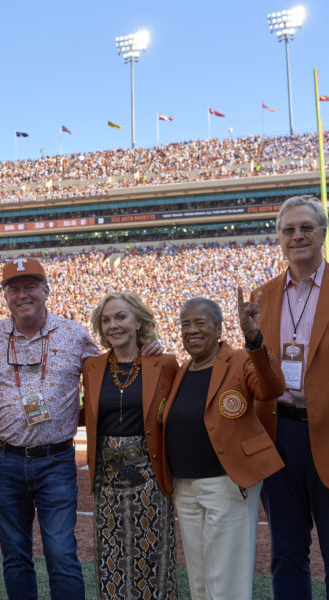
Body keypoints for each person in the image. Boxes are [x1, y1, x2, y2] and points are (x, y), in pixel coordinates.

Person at [0, 256, 99, 600]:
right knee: (15, 556)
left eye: (30, 286)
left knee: (61, 554)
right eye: (13, 289)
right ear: (4, 296)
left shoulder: (75, 335)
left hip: (56, 461)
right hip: (4, 461)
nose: (22, 295)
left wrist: (148, 345)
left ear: (46, 290)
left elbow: (108, 380)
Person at [161, 295, 285, 600]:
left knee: (226, 575)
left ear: (219, 329)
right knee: (199, 576)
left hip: (228, 482)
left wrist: (254, 339)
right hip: (186, 486)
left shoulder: (241, 359)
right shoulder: (181, 370)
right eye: (185, 324)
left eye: (200, 323)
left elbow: (271, 388)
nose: (192, 330)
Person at [253, 194, 329, 599]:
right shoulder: (262, 295)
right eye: (288, 230)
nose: (297, 236)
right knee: (286, 552)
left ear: (322, 233)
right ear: (278, 238)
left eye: (306, 228)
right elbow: (255, 366)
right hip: (280, 435)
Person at [83, 291, 178, 600]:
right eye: (106, 320)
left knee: (151, 553)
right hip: (107, 478)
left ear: (138, 321)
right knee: (110, 554)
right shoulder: (93, 367)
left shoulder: (163, 363)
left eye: (121, 317)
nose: (113, 325)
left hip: (147, 475)